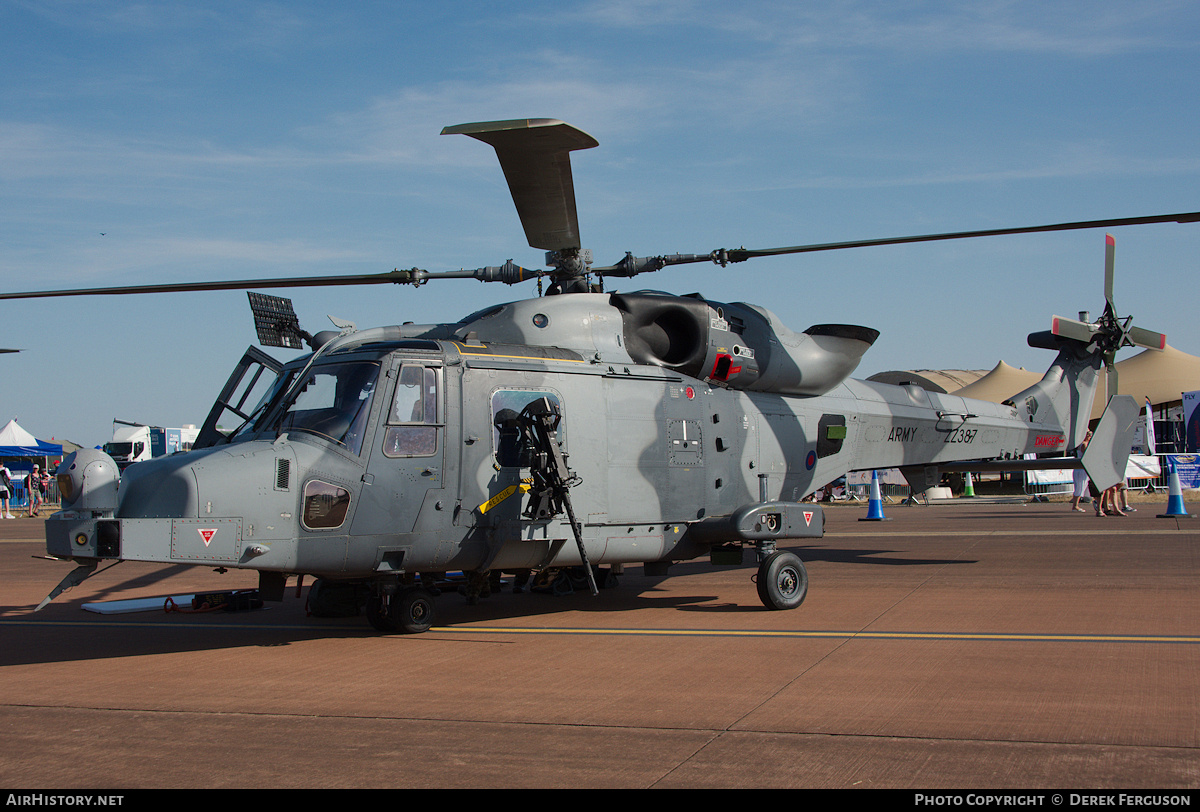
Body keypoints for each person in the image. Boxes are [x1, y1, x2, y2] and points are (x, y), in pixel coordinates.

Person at [1070, 430, 1093, 512]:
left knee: (1082, 486)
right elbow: (1087, 455)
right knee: (1079, 486)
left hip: (1082, 468)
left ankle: (1076, 504)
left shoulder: (1084, 444)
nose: (1090, 436)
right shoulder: (1083, 444)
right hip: (1081, 469)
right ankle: (1075, 505)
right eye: (1088, 435)